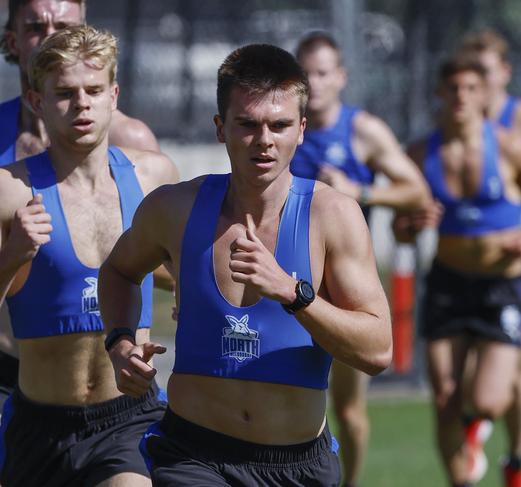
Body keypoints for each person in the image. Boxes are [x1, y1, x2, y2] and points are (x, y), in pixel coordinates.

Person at [98, 43, 392, 487]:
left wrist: (294, 294)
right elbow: (119, 271)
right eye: (247, 124)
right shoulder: (174, 208)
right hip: (193, 454)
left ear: (302, 129)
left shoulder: (332, 216)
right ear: (221, 128)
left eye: (279, 125)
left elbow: (377, 350)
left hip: (297, 465)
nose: (264, 140)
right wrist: (120, 343)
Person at [0, 1, 160, 485]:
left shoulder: (136, 149)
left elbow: (163, 256)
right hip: (11, 374)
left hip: (117, 388)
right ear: (12, 38)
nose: (49, 35)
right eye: (35, 25)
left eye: (63, 25)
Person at [290, 31, 430, 487]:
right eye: (306, 72)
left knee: (348, 408)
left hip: (347, 289)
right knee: (288, 401)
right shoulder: (282, 127)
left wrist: (362, 191)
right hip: (286, 287)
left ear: (342, 77)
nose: (314, 81)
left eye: (323, 72)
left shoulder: (362, 130)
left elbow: (416, 190)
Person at [393, 56, 521, 487]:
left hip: (504, 286)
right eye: (453, 90)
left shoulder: (507, 147)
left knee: (486, 400)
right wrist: (411, 224)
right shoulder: (419, 153)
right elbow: (401, 232)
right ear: (440, 94)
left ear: (484, 94)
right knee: (445, 397)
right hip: (447, 282)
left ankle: (501, 448)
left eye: (470, 89)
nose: (461, 98)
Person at [459, 30, 521, 487]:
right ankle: (475, 428)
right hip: (461, 274)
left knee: (510, 382)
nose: (474, 82)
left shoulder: (515, 123)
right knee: (461, 378)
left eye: (483, 71)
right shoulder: (452, 126)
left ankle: (510, 457)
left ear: (503, 73)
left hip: (513, 274)